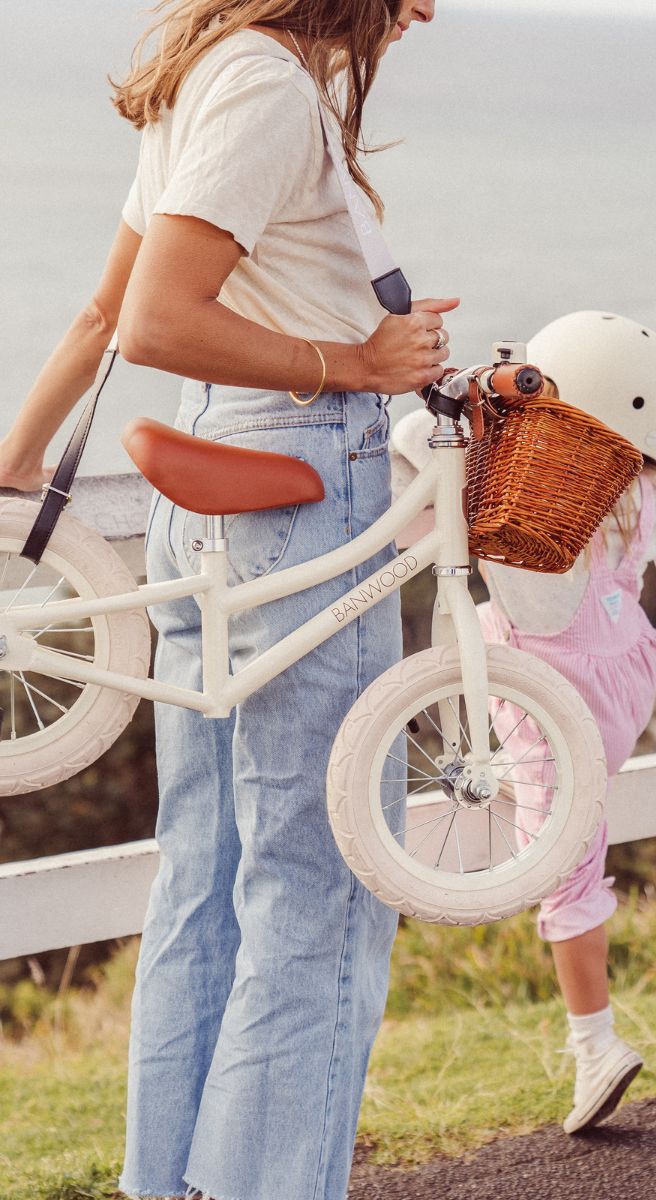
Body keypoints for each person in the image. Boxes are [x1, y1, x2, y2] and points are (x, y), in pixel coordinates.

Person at [0, 3, 457, 1197]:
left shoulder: (209, 75)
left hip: (212, 488)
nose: (421, 12)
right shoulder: (263, 86)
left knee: (206, 879)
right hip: (302, 478)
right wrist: (358, 363)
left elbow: (104, 312)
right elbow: (159, 323)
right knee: (322, 879)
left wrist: (16, 463)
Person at [392, 311, 656, 1132]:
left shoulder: (519, 486)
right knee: (577, 838)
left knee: (562, 862)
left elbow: (420, 439)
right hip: (623, 676)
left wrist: (482, 403)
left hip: (541, 681)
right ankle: (589, 1037)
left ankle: (594, 1041)